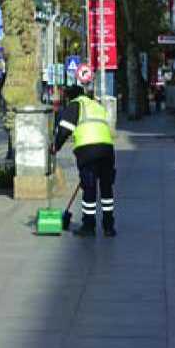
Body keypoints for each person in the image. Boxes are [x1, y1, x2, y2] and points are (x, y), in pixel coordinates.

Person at [52, 85, 117, 237]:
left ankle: (88, 226)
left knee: (89, 187)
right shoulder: (96, 106)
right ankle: (109, 227)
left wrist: (56, 146)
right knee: (106, 187)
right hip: (107, 149)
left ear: (70, 97)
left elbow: (64, 130)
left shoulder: (75, 104)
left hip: (88, 151)